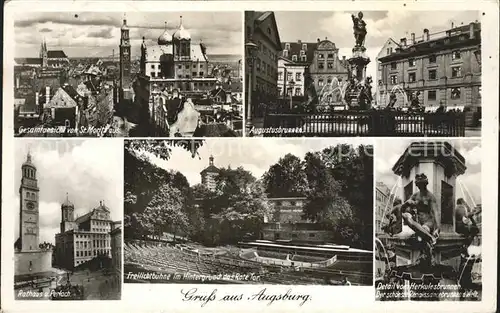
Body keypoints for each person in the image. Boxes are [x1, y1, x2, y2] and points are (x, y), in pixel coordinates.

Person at [400, 173, 440, 247]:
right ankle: (430, 237)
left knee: (420, 235)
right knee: (405, 215)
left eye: (422, 184)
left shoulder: (430, 197)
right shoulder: (415, 195)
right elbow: (402, 209)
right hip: (417, 222)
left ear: (425, 184)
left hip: (428, 223)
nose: (420, 187)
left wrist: (437, 228)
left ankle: (428, 238)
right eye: (419, 185)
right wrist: (406, 203)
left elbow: (436, 213)